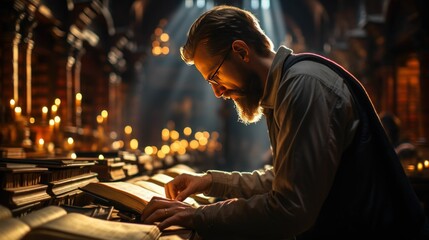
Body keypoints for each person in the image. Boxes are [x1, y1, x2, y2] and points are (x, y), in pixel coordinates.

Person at [140, 5, 429, 239]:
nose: (217, 91)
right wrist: (210, 181)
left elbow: (291, 209)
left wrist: (197, 216)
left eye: (215, 75)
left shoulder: (304, 85)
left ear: (241, 51)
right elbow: (285, 178)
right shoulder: (286, 87)